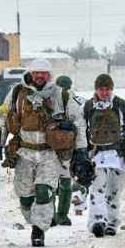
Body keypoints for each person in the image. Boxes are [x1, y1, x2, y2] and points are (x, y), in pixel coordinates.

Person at [0, 59, 84, 246]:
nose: (40, 76)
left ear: (49, 75)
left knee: (44, 191)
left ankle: (38, 231)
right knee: (25, 195)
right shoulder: (17, 93)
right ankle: (34, 219)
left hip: (50, 154)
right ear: (31, 74)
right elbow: (3, 118)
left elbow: (78, 121)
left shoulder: (61, 94)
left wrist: (81, 151)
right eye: (36, 73)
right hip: (24, 151)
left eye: (43, 73)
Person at [84, 73, 125, 238]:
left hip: (117, 156)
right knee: (97, 189)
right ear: (96, 89)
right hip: (96, 157)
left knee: (114, 191)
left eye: (107, 89)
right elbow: (80, 129)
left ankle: (112, 222)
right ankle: (97, 221)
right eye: (101, 89)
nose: (104, 93)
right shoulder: (88, 107)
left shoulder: (121, 105)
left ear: (112, 89)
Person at [51, 75, 87, 226]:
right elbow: (82, 126)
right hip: (68, 147)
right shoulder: (78, 101)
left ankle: (51, 215)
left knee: (51, 183)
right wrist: (82, 149)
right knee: (65, 183)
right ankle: (61, 216)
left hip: (52, 145)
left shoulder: (51, 100)